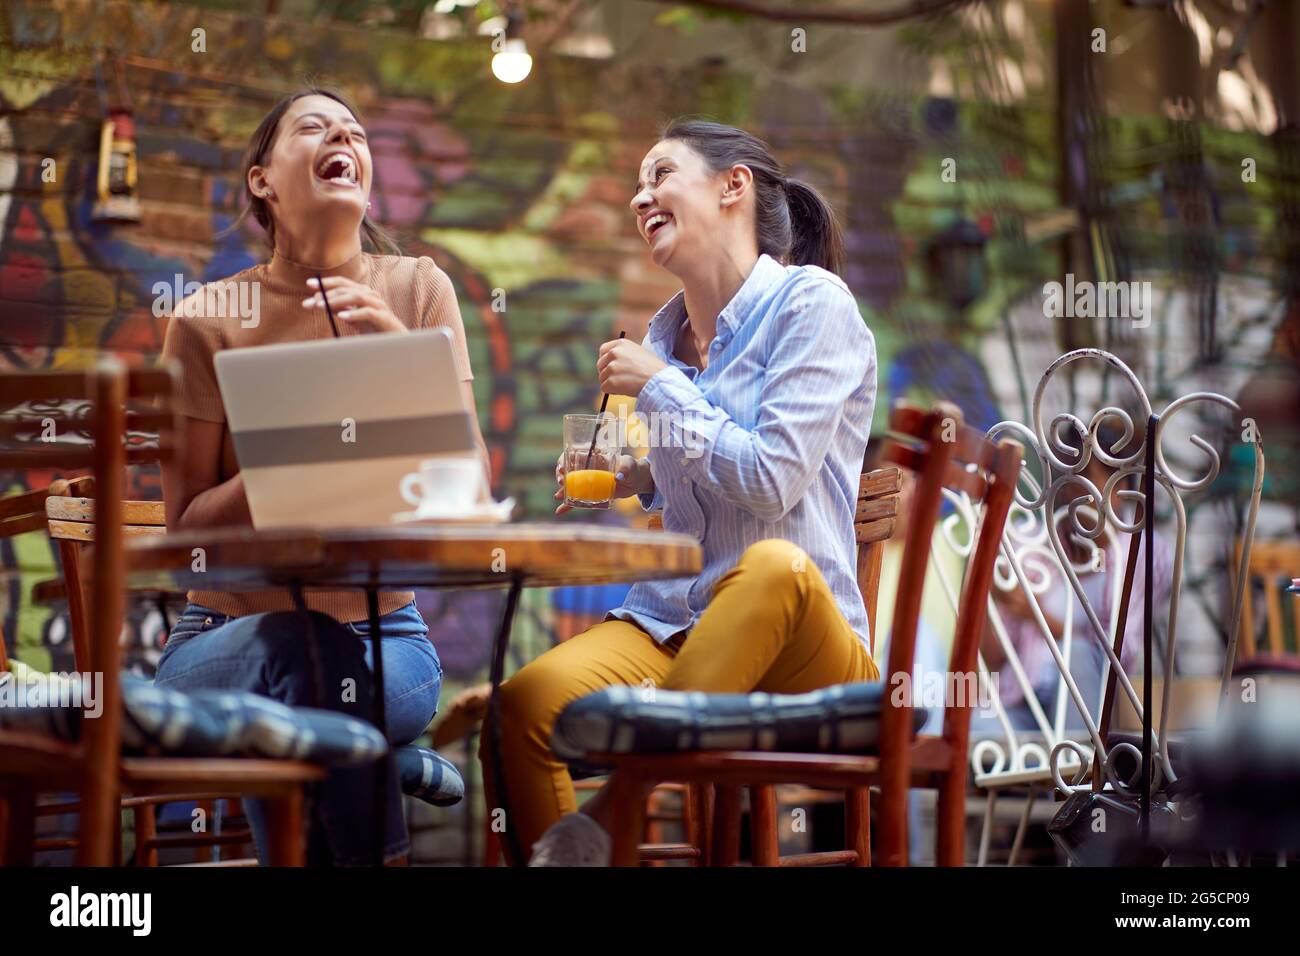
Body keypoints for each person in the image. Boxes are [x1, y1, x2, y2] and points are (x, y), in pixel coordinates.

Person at [487, 119, 878, 865]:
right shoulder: (662, 339)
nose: (641, 198)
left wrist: (661, 390)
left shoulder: (811, 306)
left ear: (735, 186)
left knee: (772, 566)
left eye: (661, 174)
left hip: (806, 647)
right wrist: (633, 477)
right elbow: (701, 479)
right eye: (638, 185)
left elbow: (769, 481)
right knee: (521, 707)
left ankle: (611, 813)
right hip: (674, 629)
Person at [154, 88, 488, 865]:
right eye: (314, 126)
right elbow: (186, 537)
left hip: (388, 644)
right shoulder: (206, 318)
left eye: (356, 132)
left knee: (310, 693)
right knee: (300, 658)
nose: (343, 134)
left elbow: (465, 490)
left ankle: (362, 744)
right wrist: (287, 456)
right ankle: (376, 754)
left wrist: (410, 366)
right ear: (262, 180)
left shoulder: (418, 290)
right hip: (226, 640)